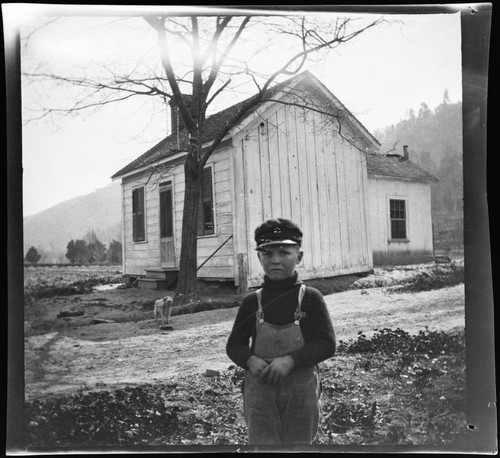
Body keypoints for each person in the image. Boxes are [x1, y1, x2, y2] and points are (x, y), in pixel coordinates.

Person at [226, 218, 336, 446]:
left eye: (284, 252)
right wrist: (250, 360)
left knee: (299, 446)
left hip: (300, 391)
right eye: (267, 253)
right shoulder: (251, 302)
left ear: (299, 257)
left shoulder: (311, 299)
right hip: (260, 391)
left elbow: (326, 344)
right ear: (259, 257)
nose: (275, 260)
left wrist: (290, 361)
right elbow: (234, 345)